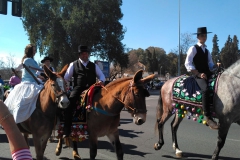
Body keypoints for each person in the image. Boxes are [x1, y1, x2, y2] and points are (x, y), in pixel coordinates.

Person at [63, 45, 106, 137]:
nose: (85, 55)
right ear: (79, 55)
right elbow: (66, 77)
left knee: (105, 100)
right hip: (78, 88)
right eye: (83, 54)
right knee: (69, 103)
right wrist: (65, 86)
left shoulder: (94, 65)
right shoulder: (73, 64)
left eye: (86, 53)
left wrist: (101, 81)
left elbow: (102, 76)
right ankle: (67, 129)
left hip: (92, 88)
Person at [185, 27, 219, 129]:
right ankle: (207, 116)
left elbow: (210, 64)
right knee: (205, 90)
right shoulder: (193, 48)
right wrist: (198, 74)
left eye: (205, 35)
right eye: (202, 35)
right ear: (198, 37)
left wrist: (216, 65)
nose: (204, 37)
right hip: (198, 74)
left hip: (207, 73)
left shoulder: (207, 51)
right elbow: (188, 63)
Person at [4, 44, 44, 124]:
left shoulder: (29, 60)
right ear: (30, 51)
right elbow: (39, 69)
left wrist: (39, 76)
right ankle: (19, 119)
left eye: (35, 50)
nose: (35, 51)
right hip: (28, 83)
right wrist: (48, 71)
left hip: (34, 81)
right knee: (22, 102)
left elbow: (32, 72)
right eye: (34, 50)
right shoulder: (28, 60)